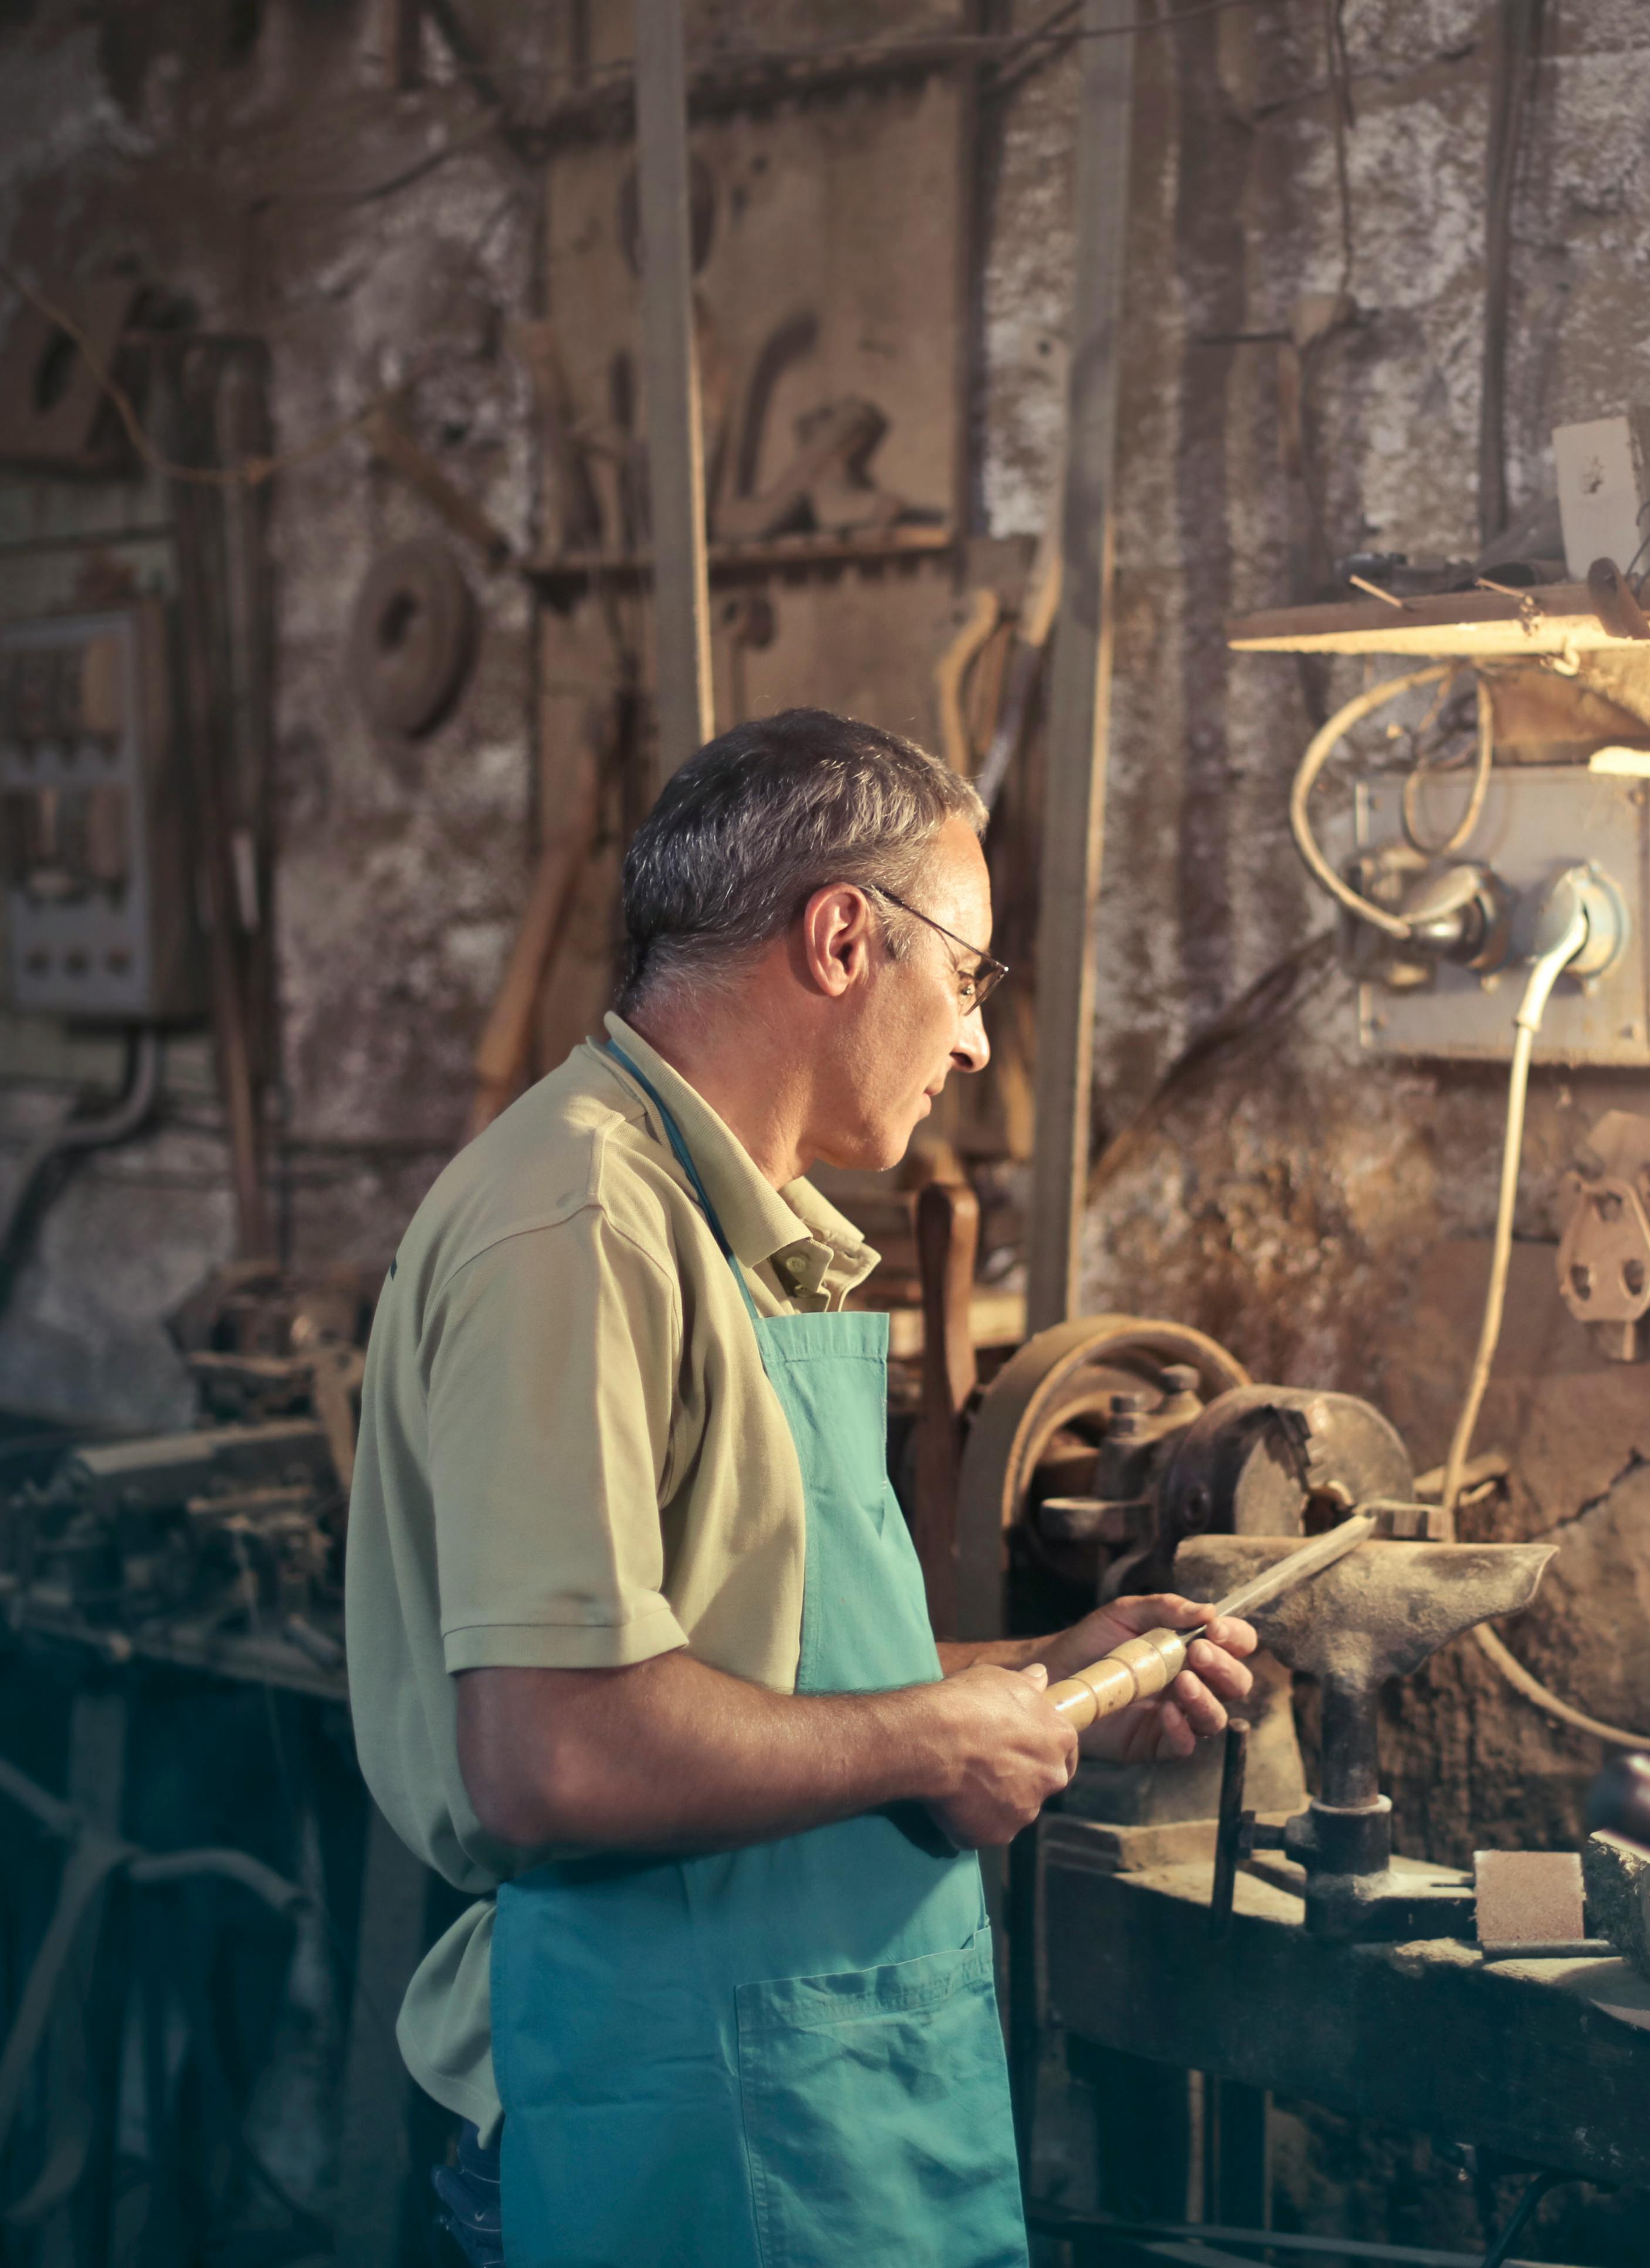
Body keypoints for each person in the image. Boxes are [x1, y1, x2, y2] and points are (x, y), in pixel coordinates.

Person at [346, 708, 1256, 2267]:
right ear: (843, 939)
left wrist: (1033, 1677)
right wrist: (940, 1738)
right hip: (672, 2115)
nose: (974, 1042)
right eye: (968, 978)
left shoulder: (721, 1224)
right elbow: (550, 1751)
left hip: (790, 2091)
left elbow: (744, 1658)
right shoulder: (582, 1220)